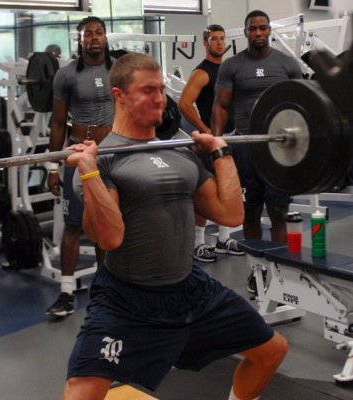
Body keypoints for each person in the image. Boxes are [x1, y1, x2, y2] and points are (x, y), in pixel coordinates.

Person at [61, 52, 288, 400]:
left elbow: (230, 215)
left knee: (271, 351)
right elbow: (109, 236)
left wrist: (220, 152)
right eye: (148, 90)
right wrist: (88, 172)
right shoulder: (101, 159)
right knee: (81, 394)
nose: (160, 99)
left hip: (190, 290)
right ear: (119, 95)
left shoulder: (179, 151)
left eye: (161, 89)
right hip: (127, 299)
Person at [211, 10, 302, 294]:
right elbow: (221, 106)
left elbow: (300, 105)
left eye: (263, 28)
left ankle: (280, 271)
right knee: (250, 213)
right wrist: (216, 144)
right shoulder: (232, 66)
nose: (259, 33)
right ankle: (258, 273)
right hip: (246, 148)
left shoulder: (287, 64)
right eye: (253, 29)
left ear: (269, 30)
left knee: (278, 213)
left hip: (279, 148)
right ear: (246, 32)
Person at [45, 16, 114, 318]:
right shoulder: (66, 75)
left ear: (105, 37)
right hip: (79, 151)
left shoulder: (119, 69)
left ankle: (105, 286)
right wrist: (51, 166)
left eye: (98, 33)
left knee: (105, 220)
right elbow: (58, 123)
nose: (94, 38)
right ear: (80, 39)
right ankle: (66, 291)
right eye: (88, 34)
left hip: (113, 152)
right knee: (73, 222)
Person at [178, 24, 245, 263]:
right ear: (205, 43)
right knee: (207, 191)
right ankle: (198, 243)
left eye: (221, 39)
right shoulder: (202, 72)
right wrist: (206, 131)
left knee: (228, 188)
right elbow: (184, 103)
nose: (218, 42)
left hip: (230, 136)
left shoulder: (228, 70)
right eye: (214, 39)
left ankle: (224, 239)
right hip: (210, 140)